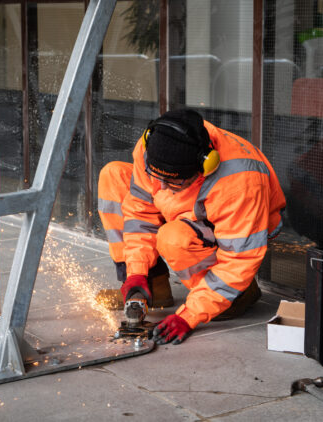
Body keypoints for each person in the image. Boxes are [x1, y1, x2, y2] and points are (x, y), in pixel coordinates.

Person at [97, 109, 286, 345]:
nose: (161, 187)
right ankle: (149, 287)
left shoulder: (241, 181)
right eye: (156, 177)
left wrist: (190, 316)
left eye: (173, 181)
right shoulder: (154, 144)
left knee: (174, 237)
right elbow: (139, 213)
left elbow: (239, 259)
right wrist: (136, 272)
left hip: (234, 232)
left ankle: (233, 298)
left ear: (206, 166)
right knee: (113, 175)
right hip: (186, 209)